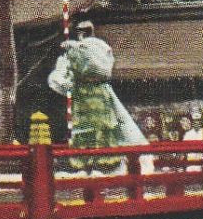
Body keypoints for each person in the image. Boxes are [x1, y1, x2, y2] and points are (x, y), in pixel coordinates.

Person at [47, 15, 146, 170]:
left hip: (83, 94)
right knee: (102, 127)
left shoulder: (81, 48)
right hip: (99, 93)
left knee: (92, 128)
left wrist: (68, 81)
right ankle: (102, 163)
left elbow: (61, 78)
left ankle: (92, 164)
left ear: (80, 33)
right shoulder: (102, 48)